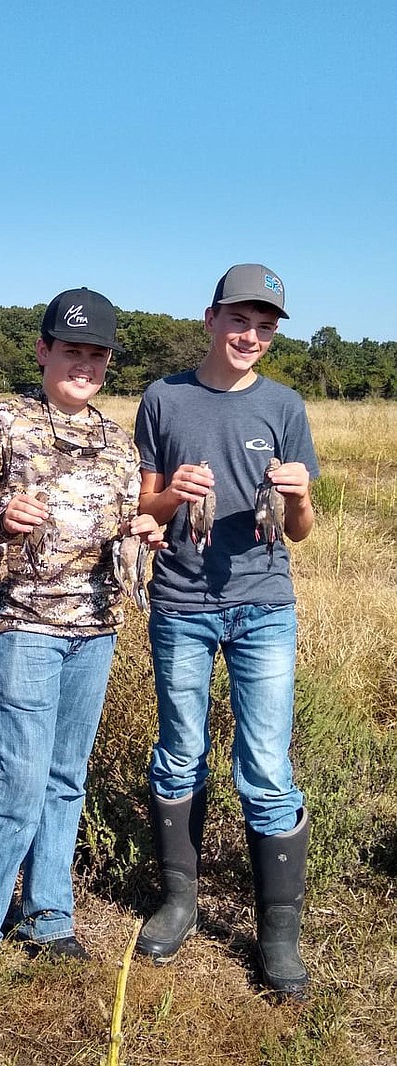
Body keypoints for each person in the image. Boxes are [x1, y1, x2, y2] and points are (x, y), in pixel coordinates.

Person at [0, 287, 165, 985]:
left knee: (65, 779)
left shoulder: (118, 442)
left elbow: (127, 527)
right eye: (72, 350)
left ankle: (48, 917)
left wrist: (145, 531)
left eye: (97, 354)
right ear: (44, 350)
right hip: (20, 625)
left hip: (96, 627)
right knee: (19, 778)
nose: (84, 365)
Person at [133, 263, 319, 998]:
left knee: (268, 767)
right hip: (180, 601)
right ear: (210, 319)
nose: (251, 336)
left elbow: (299, 531)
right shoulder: (163, 397)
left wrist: (298, 496)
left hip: (264, 606)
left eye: (265, 326)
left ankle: (278, 936)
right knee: (180, 754)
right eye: (239, 321)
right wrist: (174, 494)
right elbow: (143, 504)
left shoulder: (286, 405)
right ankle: (180, 902)